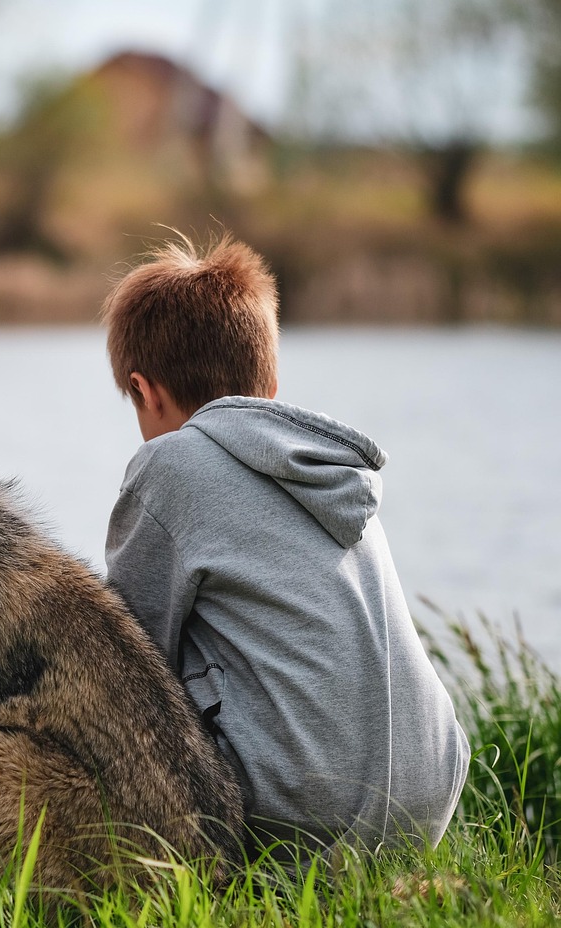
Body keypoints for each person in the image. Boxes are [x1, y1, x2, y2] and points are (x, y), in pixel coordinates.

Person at [102, 235, 470, 855]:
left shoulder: (171, 464)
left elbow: (126, 663)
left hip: (304, 816)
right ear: (268, 383)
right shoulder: (321, 468)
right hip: (427, 798)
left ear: (145, 391)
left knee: (111, 663)